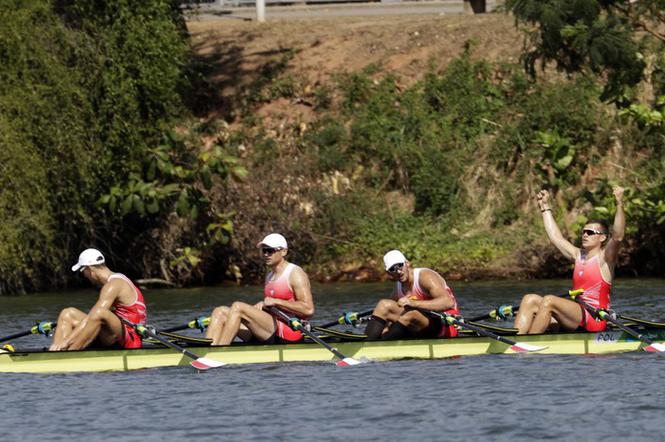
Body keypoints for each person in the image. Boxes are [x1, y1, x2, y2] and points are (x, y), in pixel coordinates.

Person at [513, 186, 625, 334]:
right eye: (583, 232)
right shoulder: (577, 255)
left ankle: (529, 342)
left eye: (590, 232)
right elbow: (555, 237)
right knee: (530, 299)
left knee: (549, 300)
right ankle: (516, 339)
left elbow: (618, 236)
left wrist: (619, 204)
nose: (585, 235)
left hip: (595, 319)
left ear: (602, 238)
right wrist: (545, 208)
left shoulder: (605, 258)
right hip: (575, 315)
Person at [206, 233, 314, 345]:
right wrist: (263, 306)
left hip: (290, 332)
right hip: (269, 329)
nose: (266, 254)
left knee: (238, 307)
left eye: (270, 250)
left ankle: (220, 353)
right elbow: (272, 306)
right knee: (220, 311)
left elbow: (308, 309)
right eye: (264, 251)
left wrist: (276, 302)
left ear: (284, 252)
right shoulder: (269, 276)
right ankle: (207, 351)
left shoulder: (295, 273)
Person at [50, 248, 147, 351]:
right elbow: (91, 318)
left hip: (130, 339)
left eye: (82, 271)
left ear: (89, 269)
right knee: (67, 314)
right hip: (113, 334)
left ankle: (69, 353)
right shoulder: (112, 282)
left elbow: (94, 315)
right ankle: (55, 351)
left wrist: (68, 340)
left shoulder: (114, 285)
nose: (84, 276)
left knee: (100, 312)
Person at [364, 250, 460, 340]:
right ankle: (368, 341)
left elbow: (448, 302)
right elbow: (388, 315)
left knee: (411, 314)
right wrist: (383, 330)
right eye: (393, 269)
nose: (398, 271)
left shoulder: (425, 277)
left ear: (407, 263)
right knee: (383, 305)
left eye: (400, 266)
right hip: (421, 325)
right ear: (389, 273)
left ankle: (378, 347)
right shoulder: (398, 287)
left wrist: (413, 303)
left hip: (446, 325)